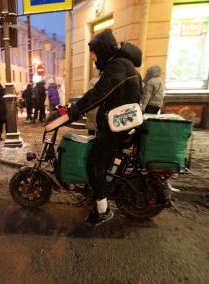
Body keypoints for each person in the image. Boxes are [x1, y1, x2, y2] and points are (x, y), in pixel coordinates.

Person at [67, 29, 143, 226]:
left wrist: (76, 109)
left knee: (94, 163)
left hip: (117, 127)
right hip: (118, 124)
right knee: (101, 160)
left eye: (93, 52)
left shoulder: (117, 65)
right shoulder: (119, 64)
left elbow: (98, 93)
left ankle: (103, 210)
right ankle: (99, 193)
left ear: (102, 49)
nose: (92, 57)